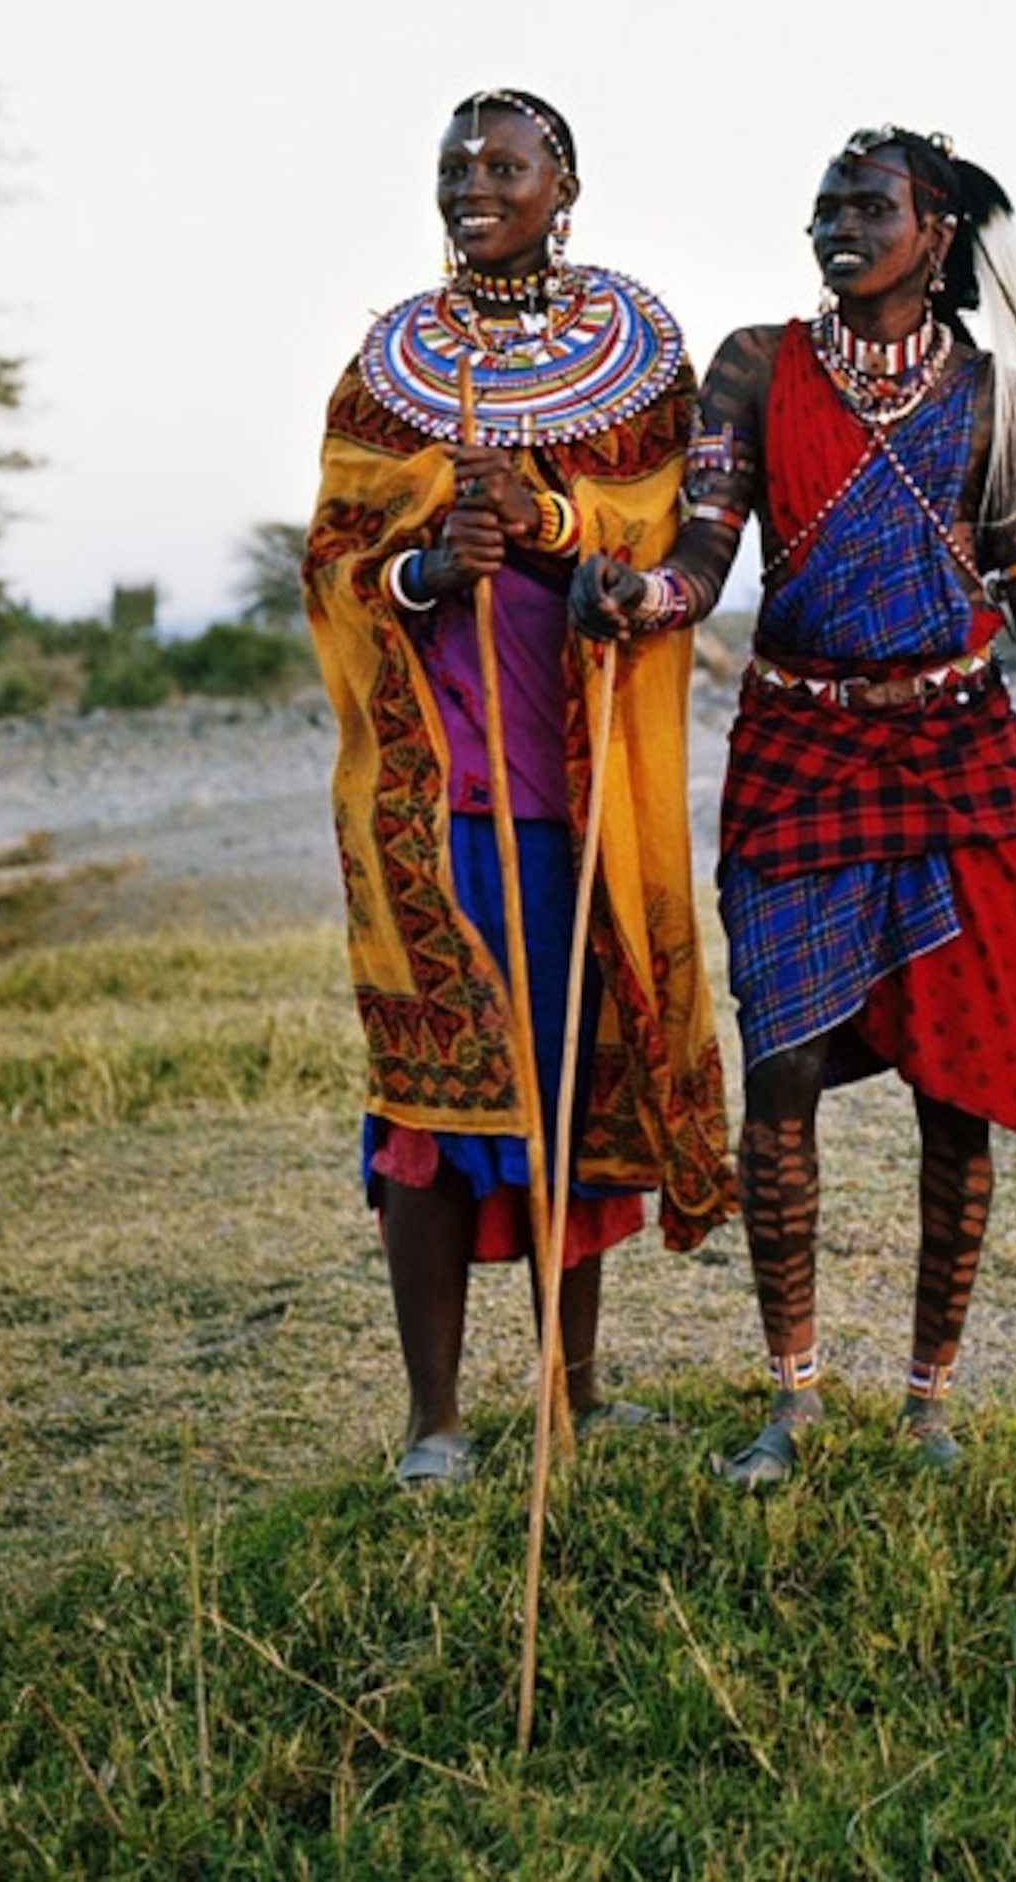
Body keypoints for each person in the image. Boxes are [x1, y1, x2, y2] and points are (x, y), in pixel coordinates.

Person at [574, 125, 1016, 1490]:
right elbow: (706, 554)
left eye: (867, 205)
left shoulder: (995, 391)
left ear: (934, 231)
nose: (835, 225)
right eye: (824, 206)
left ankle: (930, 1399)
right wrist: (633, 597)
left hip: (956, 757)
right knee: (782, 1077)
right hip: (800, 751)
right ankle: (794, 1394)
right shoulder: (756, 370)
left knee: (965, 1083)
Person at [303, 89, 734, 1489]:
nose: (473, 184)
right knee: (430, 1104)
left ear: (566, 185)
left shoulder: (639, 357)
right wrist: (433, 565)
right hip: (435, 812)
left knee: (573, 1092)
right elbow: (336, 563)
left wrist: (550, 524)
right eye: (454, 165)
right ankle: (436, 1418)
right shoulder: (390, 373)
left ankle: (576, 1391)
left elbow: (668, 537)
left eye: (505, 164)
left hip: (583, 795)